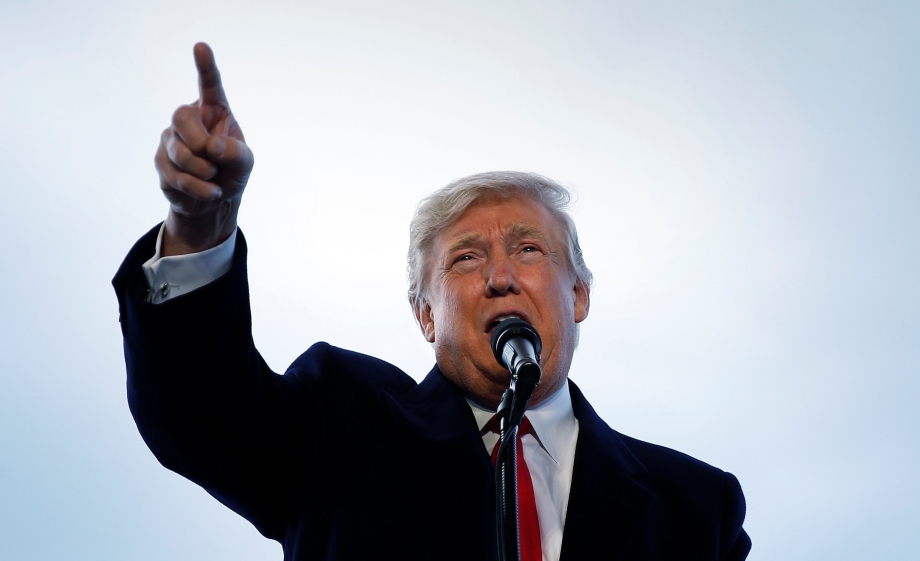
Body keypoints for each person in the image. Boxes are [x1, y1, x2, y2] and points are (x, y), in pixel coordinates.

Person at [114, 42, 751, 561]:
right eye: (467, 258)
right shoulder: (342, 424)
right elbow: (202, 416)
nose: (501, 276)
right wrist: (199, 224)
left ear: (580, 295)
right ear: (425, 314)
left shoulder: (696, 505)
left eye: (530, 250)